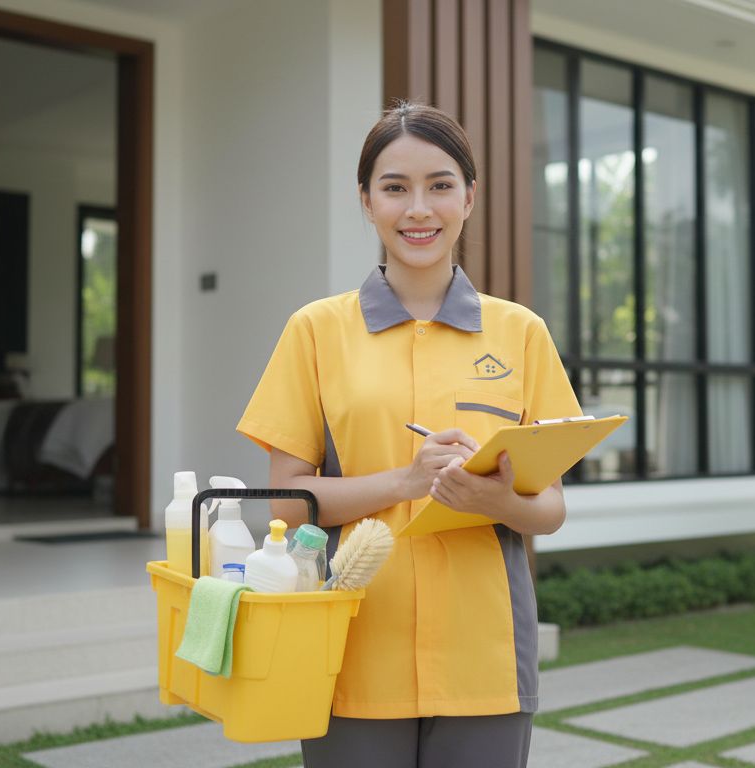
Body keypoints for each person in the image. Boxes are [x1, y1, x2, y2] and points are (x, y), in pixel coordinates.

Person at [236, 101, 581, 768]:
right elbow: (284, 502)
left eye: (440, 185)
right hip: (350, 651)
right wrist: (409, 481)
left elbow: (551, 508)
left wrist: (491, 501)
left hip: (485, 661)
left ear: (470, 197)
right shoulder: (315, 330)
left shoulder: (522, 334)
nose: (418, 209)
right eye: (395, 188)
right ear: (366, 201)